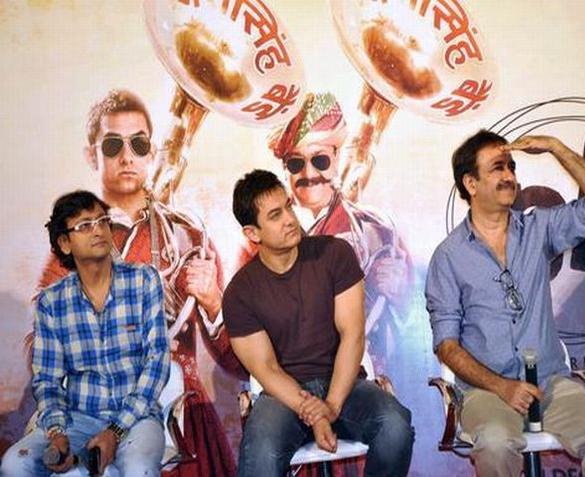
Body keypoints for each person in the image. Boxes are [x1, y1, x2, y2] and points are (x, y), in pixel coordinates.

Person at [33, 89, 245, 476]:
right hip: (93, 414)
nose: (127, 157)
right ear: (91, 155)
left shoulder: (188, 236)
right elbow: (40, 350)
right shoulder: (72, 242)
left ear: (152, 152)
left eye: (139, 144)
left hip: (182, 413)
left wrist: (214, 301)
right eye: (113, 145)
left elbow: (236, 360)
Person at [425, 130, 585, 476]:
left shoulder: (540, 228)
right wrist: (502, 386)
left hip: (551, 384)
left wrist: (556, 147)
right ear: (471, 183)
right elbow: (446, 346)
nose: (509, 176)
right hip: (486, 391)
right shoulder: (448, 257)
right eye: (497, 168)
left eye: (511, 167)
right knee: (495, 444)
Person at [222, 169, 414, 476]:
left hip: (346, 384)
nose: (289, 219)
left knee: (395, 426)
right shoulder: (239, 293)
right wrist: (312, 411)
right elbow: (266, 369)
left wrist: (332, 406)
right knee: (260, 452)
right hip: (283, 395)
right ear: (253, 233)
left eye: (288, 206)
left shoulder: (334, 254)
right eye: (275, 215)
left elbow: (352, 335)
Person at [1, 190, 170, 477]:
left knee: (139, 468)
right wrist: (57, 433)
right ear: (65, 243)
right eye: (85, 225)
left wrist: (115, 431)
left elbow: (157, 362)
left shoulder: (144, 280)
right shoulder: (52, 301)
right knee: (14, 464)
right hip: (77, 418)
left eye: (102, 221)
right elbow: (48, 380)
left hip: (137, 420)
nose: (98, 230)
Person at [267, 92, 413, 373]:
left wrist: (399, 294)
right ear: (284, 169)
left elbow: (413, 323)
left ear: (335, 159)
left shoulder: (379, 230)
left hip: (367, 375)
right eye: (296, 163)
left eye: (320, 161)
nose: (309, 173)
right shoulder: (262, 236)